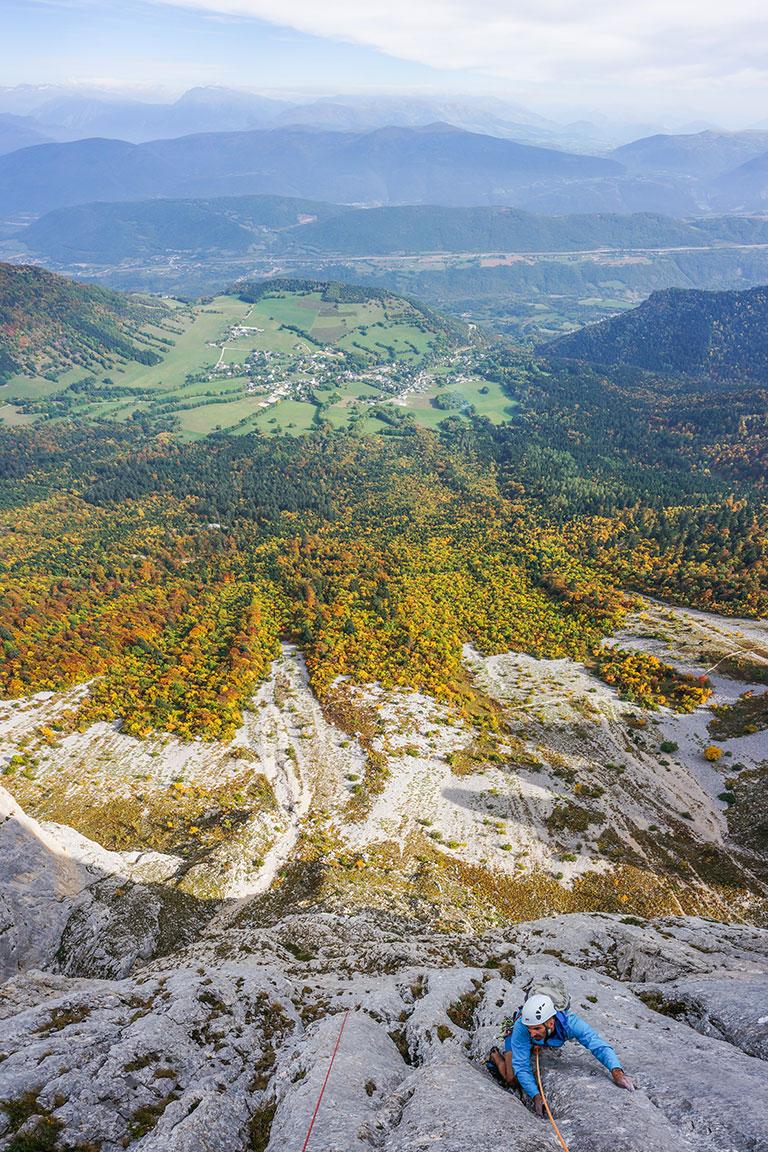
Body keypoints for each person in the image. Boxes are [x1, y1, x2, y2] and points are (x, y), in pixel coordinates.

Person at [488, 994, 634, 1116]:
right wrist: (536, 1096)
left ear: (551, 1024)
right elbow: (521, 1065)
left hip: (542, 1040)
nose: (531, 1033)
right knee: (511, 1078)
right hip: (515, 1037)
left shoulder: (571, 1023)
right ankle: (496, 1057)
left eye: (536, 1028)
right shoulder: (521, 1027)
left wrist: (616, 1071)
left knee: (528, 1053)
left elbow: (597, 1044)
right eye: (530, 1029)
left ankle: (538, 1044)